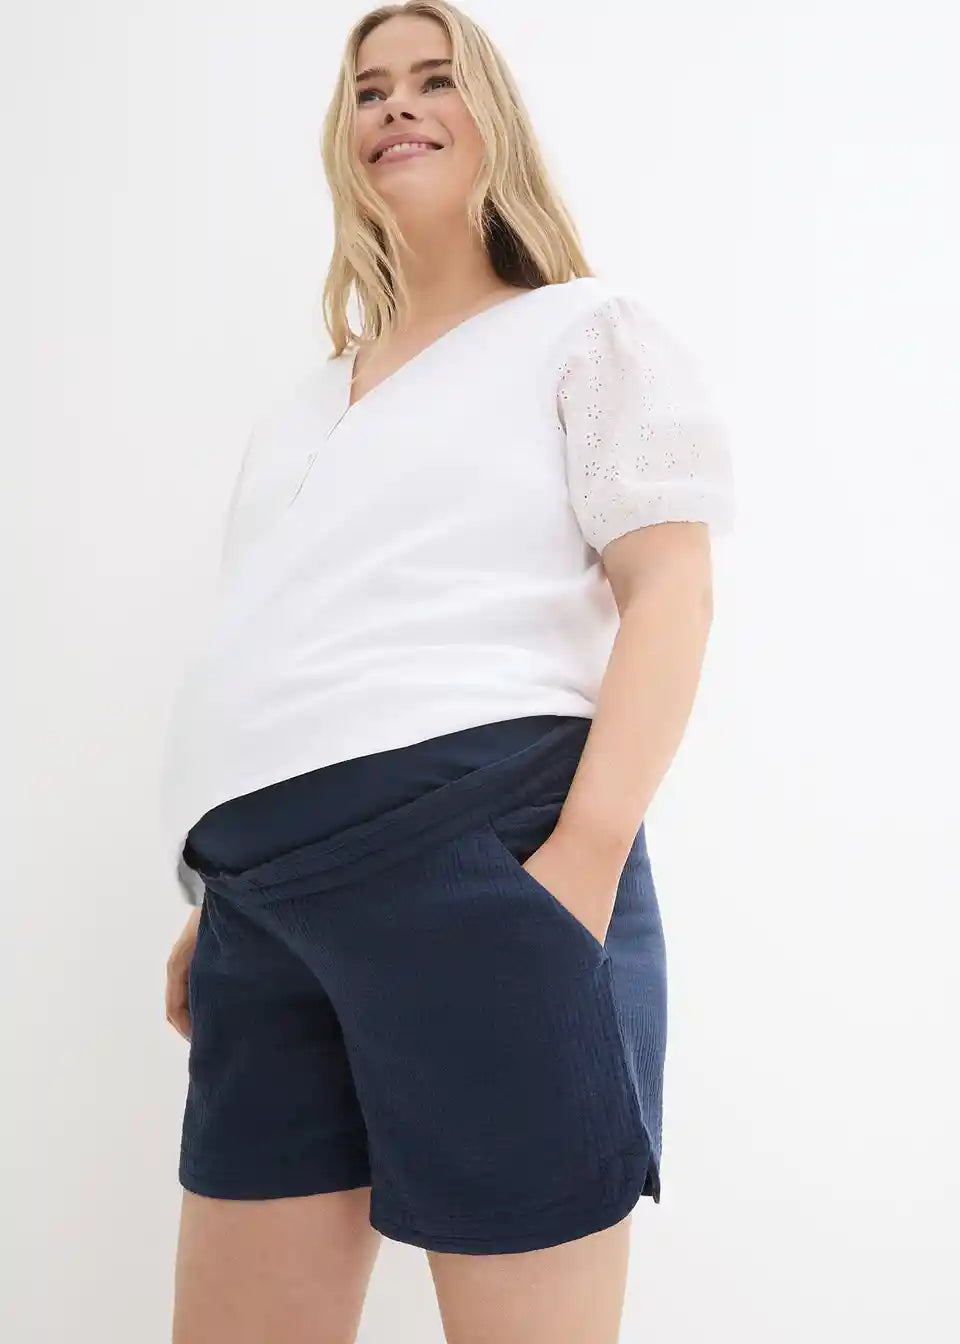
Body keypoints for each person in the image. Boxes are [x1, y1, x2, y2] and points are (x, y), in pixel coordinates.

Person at [161, 3, 735, 1341]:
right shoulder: (308, 404)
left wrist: (580, 864)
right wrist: (214, 888)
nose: (398, 106)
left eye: (435, 79)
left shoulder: (583, 330)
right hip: (260, 914)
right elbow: (291, 630)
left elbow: (672, 592)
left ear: (496, 120)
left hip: (476, 865)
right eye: (369, 90)